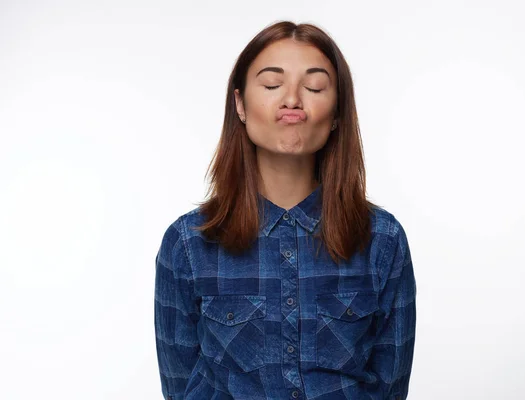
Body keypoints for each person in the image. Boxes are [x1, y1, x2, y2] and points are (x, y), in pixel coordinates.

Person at [154, 20, 417, 400]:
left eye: (314, 87)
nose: (293, 100)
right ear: (240, 104)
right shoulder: (188, 244)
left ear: (338, 112)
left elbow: (390, 387)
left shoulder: (382, 240)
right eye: (273, 84)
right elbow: (181, 388)